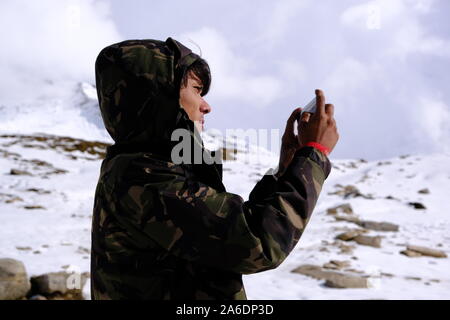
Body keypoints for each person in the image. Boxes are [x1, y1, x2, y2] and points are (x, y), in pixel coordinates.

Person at [90, 37, 339, 300]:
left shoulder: (150, 168)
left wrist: (286, 170)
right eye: (197, 90)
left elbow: (231, 227)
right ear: (159, 96)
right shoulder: (145, 176)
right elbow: (256, 242)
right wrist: (314, 153)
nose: (206, 106)